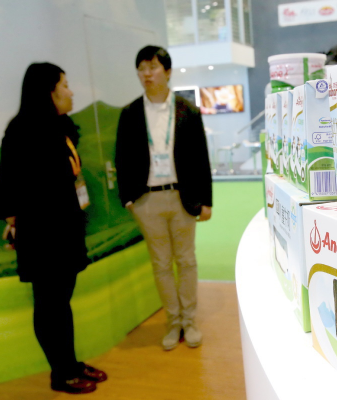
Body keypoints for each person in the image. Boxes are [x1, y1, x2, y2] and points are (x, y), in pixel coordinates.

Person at [0, 63, 107, 394]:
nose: (71, 91)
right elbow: (8, 184)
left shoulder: (60, 127)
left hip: (64, 230)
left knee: (60, 303)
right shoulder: (23, 130)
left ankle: (70, 364)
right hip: (43, 238)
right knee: (50, 305)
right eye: (65, 84)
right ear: (48, 92)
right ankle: (62, 374)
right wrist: (13, 221)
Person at [115, 46, 213, 351]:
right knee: (160, 264)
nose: (147, 74)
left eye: (153, 67)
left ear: (167, 72)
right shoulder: (130, 113)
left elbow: (201, 158)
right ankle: (173, 322)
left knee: (186, 260)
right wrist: (129, 199)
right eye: (141, 68)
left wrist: (206, 200)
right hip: (147, 200)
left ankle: (190, 321)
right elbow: (121, 158)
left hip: (182, 196)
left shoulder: (187, 110)